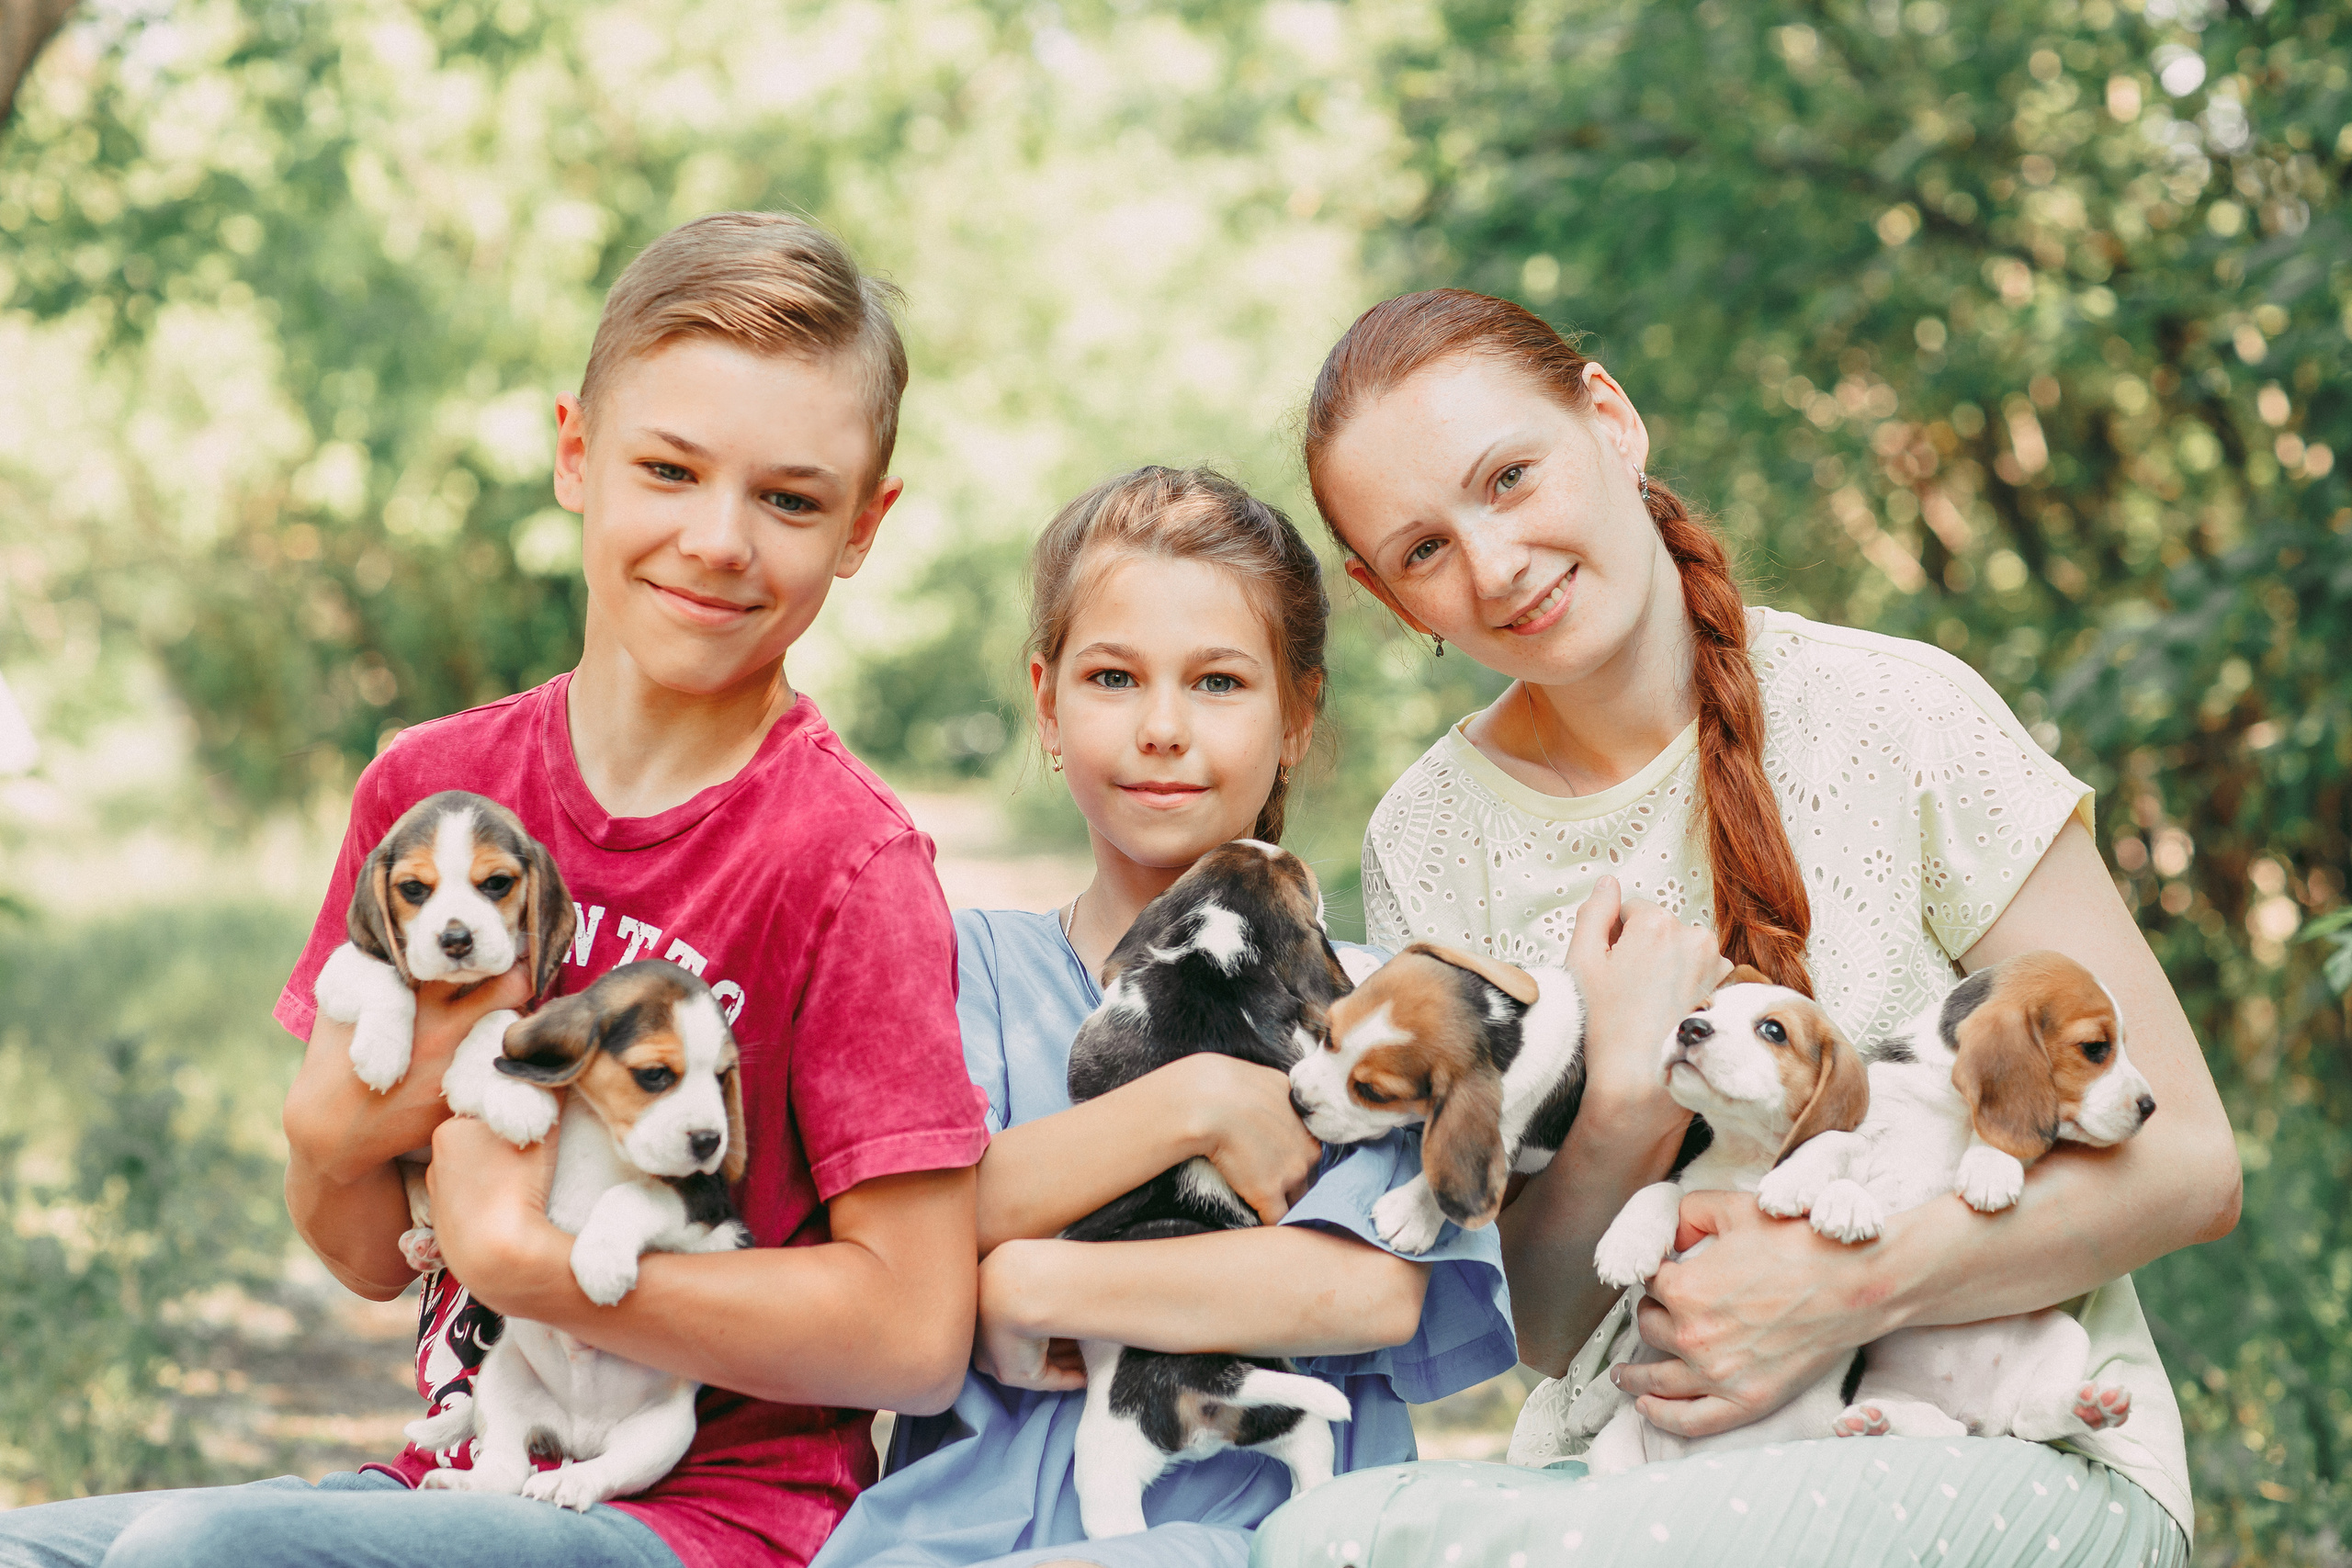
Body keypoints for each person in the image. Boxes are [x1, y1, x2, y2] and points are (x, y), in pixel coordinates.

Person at [0, 213, 992, 1568]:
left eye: (790, 498)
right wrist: (331, 1128)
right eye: (669, 467)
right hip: (464, 1469)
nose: (717, 538)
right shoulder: (436, 786)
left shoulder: (846, 860)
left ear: (865, 526)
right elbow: (358, 1246)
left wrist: (528, 1265)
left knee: (189, 1555)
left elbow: (915, 1332)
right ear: (576, 452)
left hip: (710, 1520)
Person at [1247, 290, 2239, 1565]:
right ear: (1390, 597)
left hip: (2001, 1440)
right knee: (1322, 1537)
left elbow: (2195, 1163)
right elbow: (1549, 1326)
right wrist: (1619, 1098)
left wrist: (1842, 1290)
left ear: (1610, 419)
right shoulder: (1429, 837)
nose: (1494, 563)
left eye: (1510, 477)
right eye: (1425, 548)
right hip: (1651, 1462)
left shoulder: (1901, 712)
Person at [810, 467, 1516, 1568]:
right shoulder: (962, 970)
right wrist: (1196, 1103)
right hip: (967, 1544)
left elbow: (1366, 1290)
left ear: (1297, 716)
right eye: (1111, 677)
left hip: (1282, 1538)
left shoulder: (1379, 1005)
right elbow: (904, 1231)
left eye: (1220, 683)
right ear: (1046, 705)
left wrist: (1033, 1278)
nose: (1162, 728)